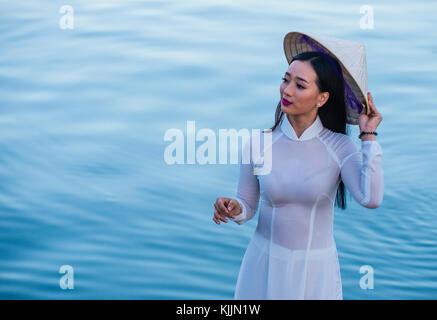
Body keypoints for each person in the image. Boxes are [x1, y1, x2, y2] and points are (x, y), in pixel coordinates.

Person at [212, 31, 383, 300]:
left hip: (315, 274)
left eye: (300, 85)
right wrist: (233, 208)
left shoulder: (339, 147)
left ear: (322, 98)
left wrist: (368, 136)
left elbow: (371, 198)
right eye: (285, 79)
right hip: (262, 266)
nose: (287, 90)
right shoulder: (258, 144)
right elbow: (247, 205)